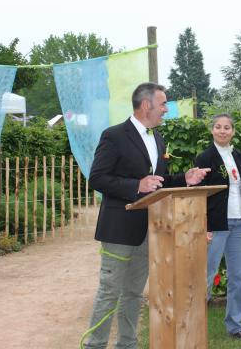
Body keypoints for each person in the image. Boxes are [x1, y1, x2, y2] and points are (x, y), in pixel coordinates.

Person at [81, 82, 210, 349]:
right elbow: (97, 178)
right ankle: (94, 345)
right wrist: (135, 185)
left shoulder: (157, 139)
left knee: (133, 294)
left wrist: (184, 179)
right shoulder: (114, 135)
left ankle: (127, 344)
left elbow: (158, 183)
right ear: (145, 105)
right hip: (118, 230)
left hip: (147, 230)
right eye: (163, 104)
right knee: (109, 292)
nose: (166, 109)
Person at [194, 113, 241, 341]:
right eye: (218, 127)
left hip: (240, 226)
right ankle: (194, 326)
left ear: (233, 132)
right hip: (216, 227)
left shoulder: (238, 156)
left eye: (227, 127)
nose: (222, 131)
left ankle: (235, 326)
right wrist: (203, 226)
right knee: (205, 277)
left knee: (238, 278)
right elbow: (198, 195)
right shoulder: (204, 158)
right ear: (212, 130)